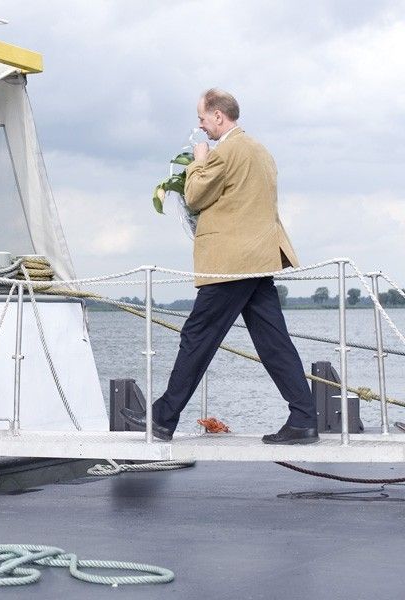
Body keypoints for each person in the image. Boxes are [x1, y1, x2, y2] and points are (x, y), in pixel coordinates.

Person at [121, 88, 318, 445]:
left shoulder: (225, 152)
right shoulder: (261, 150)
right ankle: (304, 419)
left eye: (202, 118)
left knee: (197, 336)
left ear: (218, 115)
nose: (200, 126)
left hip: (230, 263)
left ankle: (162, 420)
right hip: (259, 259)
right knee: (274, 342)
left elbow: (195, 195)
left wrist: (198, 160)